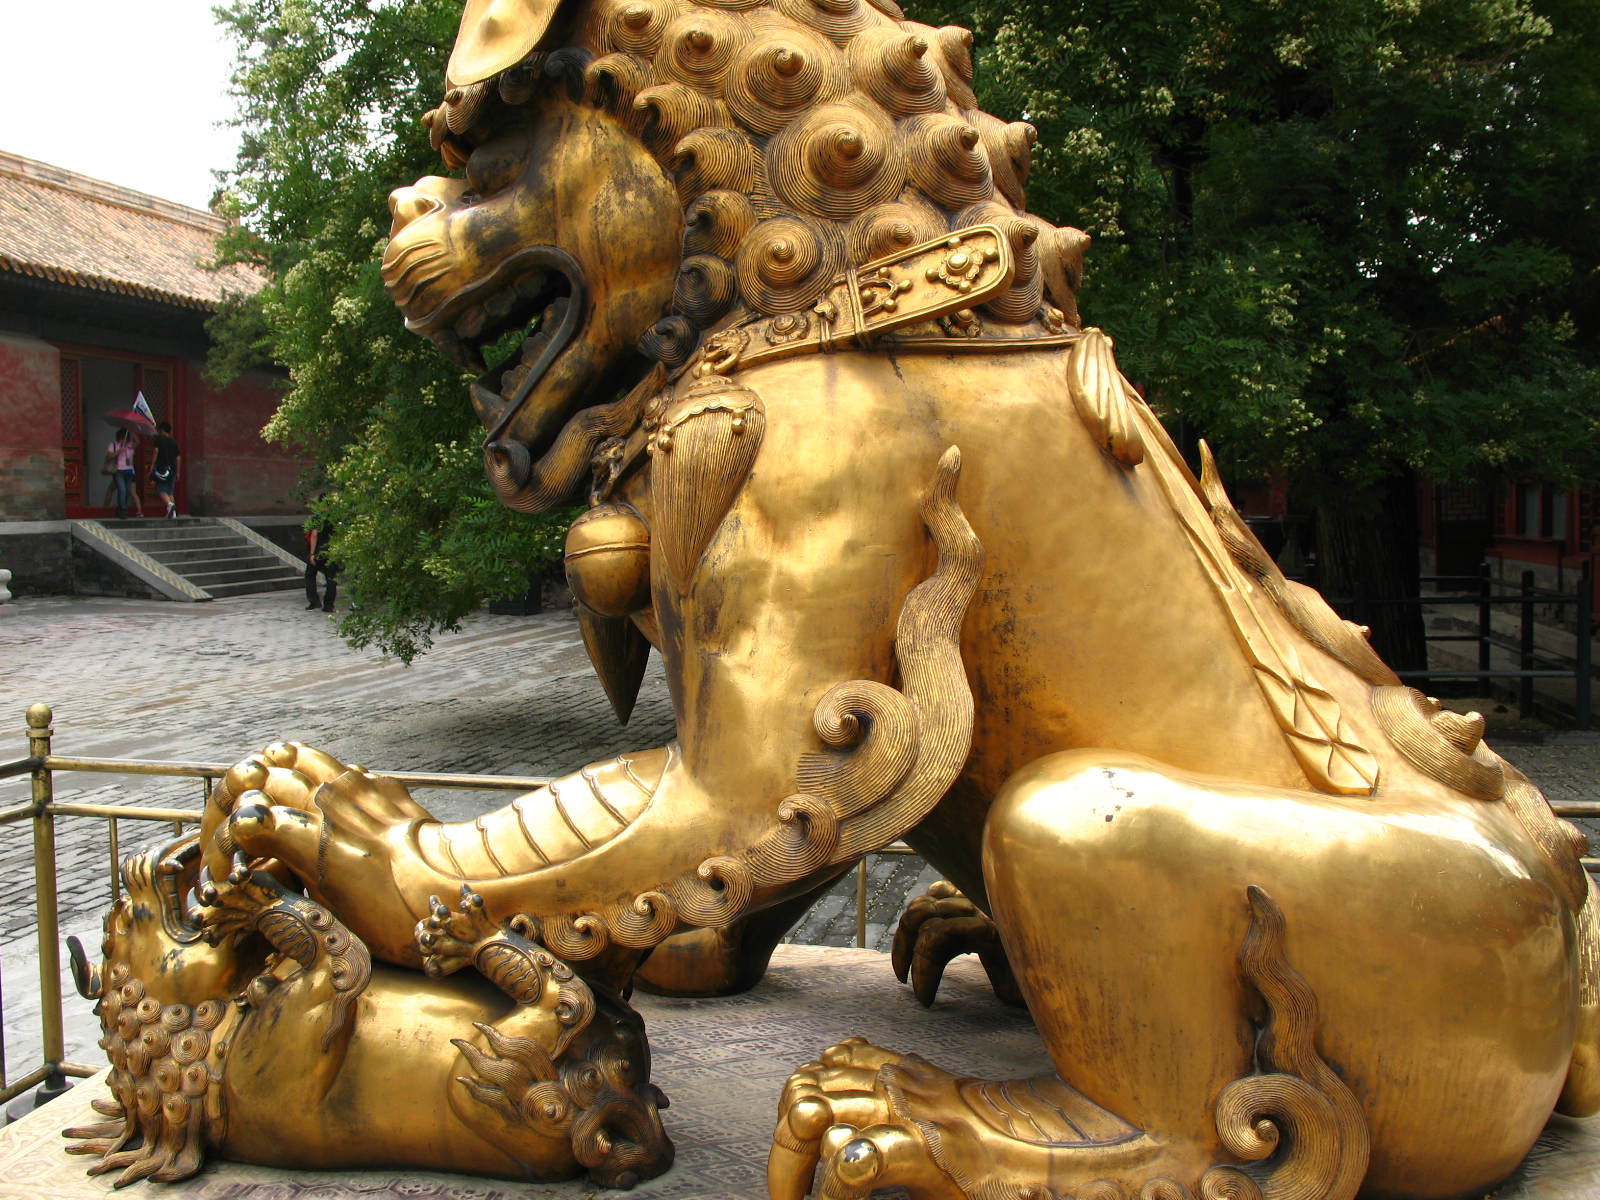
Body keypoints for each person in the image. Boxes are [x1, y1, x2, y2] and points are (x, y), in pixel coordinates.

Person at [104, 428, 142, 519]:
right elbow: (109, 456)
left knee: (128, 492)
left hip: (129, 471)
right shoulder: (113, 445)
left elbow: (138, 442)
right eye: (122, 438)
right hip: (119, 471)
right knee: (122, 491)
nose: (124, 440)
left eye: (126, 438)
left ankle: (120, 508)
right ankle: (123, 511)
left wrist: (132, 431)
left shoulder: (129, 445)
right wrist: (118, 451)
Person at [305, 515, 337, 612]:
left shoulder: (318, 517)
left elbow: (314, 535)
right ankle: (329, 605)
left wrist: (312, 553)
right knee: (331, 578)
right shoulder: (335, 516)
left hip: (319, 551)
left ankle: (314, 601)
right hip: (332, 552)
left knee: (310, 574)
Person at [149, 422, 180, 519]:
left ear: (161, 430)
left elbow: (156, 451)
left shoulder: (159, 438)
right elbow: (178, 458)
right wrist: (178, 472)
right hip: (173, 469)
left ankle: (170, 504)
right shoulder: (174, 442)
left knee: (161, 490)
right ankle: (173, 513)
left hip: (162, 468)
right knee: (170, 492)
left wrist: (152, 464)